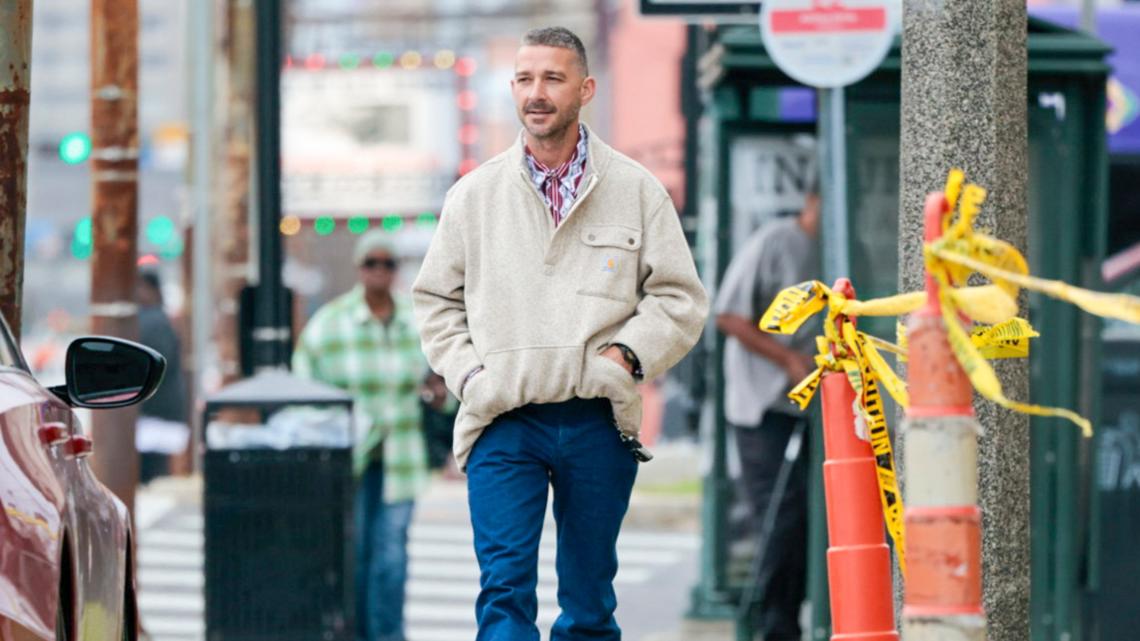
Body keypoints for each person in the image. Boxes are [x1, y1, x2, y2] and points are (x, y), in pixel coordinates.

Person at [412, 26, 708, 641]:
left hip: (596, 419)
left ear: (585, 88)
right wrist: (471, 377)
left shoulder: (636, 190)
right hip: (501, 417)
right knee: (503, 593)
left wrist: (624, 358)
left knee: (590, 600)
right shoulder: (473, 196)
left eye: (553, 78)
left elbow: (679, 298)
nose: (536, 93)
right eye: (524, 79)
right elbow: (435, 301)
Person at [292, 231, 447, 641]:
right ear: (360, 269)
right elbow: (303, 388)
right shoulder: (330, 323)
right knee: (354, 554)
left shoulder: (418, 322)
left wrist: (439, 397)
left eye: (388, 263)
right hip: (349, 459)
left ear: (397, 271)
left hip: (401, 458)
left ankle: (389, 636)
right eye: (371, 263)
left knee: (391, 557)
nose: (380, 271)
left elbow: (447, 391)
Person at [714, 192, 821, 641]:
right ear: (815, 198)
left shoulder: (835, 246)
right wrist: (786, 359)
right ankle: (776, 628)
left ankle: (796, 618)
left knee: (810, 518)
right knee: (781, 516)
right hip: (763, 407)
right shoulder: (776, 241)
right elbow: (728, 316)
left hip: (812, 405)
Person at [135, 271, 189, 484]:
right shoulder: (159, 318)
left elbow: (154, 362)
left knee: (152, 474)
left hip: (154, 412)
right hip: (161, 411)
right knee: (157, 474)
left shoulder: (151, 320)